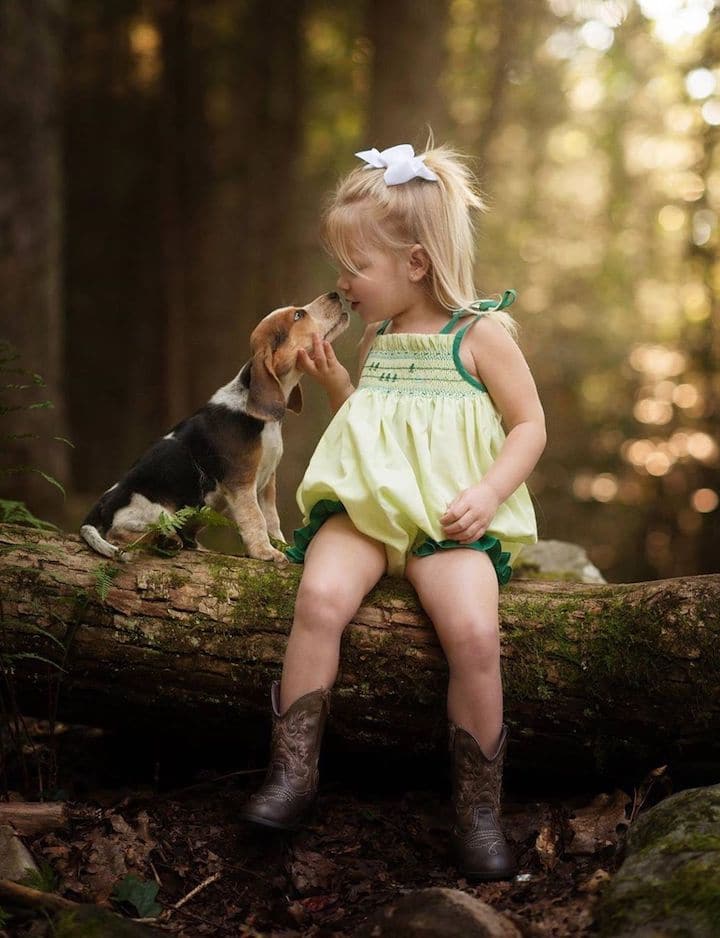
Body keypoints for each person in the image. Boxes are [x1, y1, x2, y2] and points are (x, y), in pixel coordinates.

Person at [241, 141, 546, 881]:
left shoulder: (481, 336)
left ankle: (477, 811)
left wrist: (489, 492)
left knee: (475, 635)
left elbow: (531, 425)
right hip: (370, 513)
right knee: (317, 596)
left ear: (414, 264)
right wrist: (342, 381)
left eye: (356, 269)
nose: (342, 285)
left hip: (448, 523)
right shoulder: (376, 340)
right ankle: (293, 770)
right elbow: (370, 428)